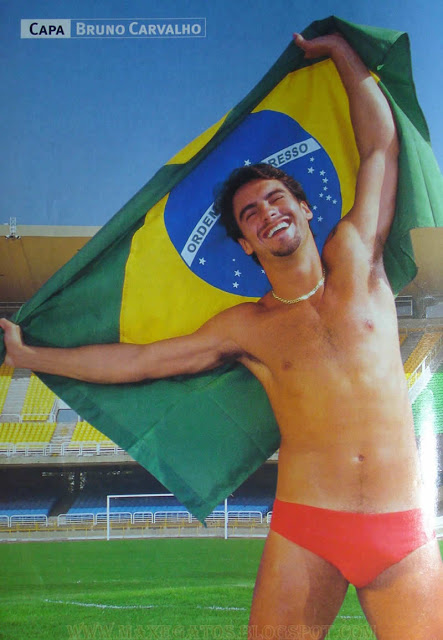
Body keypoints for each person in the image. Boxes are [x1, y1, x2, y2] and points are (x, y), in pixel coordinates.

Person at [1, 33, 442, 639]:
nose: (267, 213)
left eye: (276, 198)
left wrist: (341, 52)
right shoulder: (247, 326)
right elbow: (140, 362)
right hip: (308, 528)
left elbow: (380, 149)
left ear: (306, 208)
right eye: (250, 214)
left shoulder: (359, 256)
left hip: (401, 528)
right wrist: (31, 355)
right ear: (245, 244)